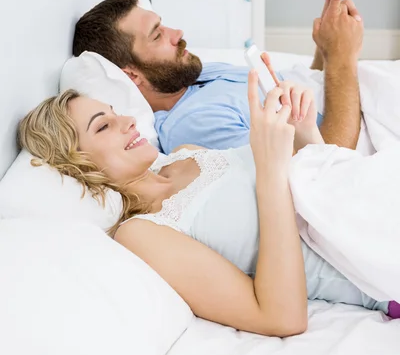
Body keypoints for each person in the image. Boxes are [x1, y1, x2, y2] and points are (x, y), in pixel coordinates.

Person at [19, 76, 398, 339]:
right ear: (75, 164)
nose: (129, 120)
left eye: (116, 111)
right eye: (103, 126)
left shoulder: (185, 155)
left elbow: (319, 193)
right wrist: (270, 170)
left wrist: (304, 134)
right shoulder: (143, 232)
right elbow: (282, 317)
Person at [72, 0, 364, 155]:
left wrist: (327, 48)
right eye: (158, 35)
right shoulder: (193, 125)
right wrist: (342, 57)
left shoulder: (193, 76)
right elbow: (326, 164)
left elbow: (305, 102)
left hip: (353, 108)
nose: (177, 34)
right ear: (132, 74)